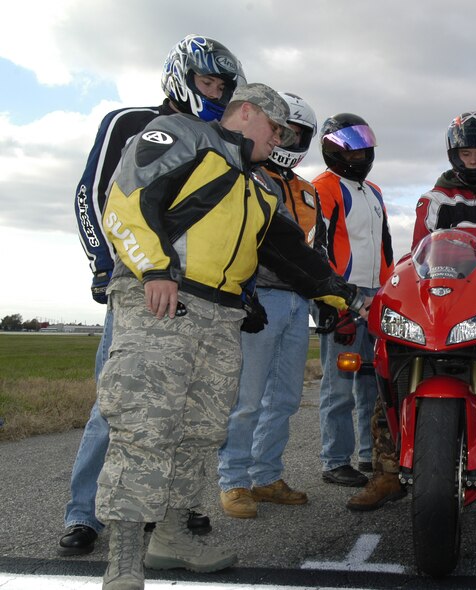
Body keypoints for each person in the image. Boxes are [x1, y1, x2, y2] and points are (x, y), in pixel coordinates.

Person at [96, 83, 364, 590]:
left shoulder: (260, 187)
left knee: (201, 434)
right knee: (145, 429)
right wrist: (155, 270)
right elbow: (127, 202)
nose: (281, 140)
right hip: (164, 302)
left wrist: (344, 296)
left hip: (222, 321)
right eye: (276, 128)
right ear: (246, 112)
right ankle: (123, 562)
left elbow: (289, 254)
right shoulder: (183, 136)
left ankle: (171, 538)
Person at [63, 34, 245, 557]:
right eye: (207, 81)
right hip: (141, 280)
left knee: (182, 407)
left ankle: (166, 512)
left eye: (222, 86)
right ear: (181, 77)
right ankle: (84, 515)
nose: (214, 92)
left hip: (197, 297)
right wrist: (104, 266)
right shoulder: (129, 120)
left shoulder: (215, 137)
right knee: (119, 405)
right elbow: (93, 192)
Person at [348, 111, 476, 522]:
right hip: (441, 302)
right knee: (388, 371)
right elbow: (424, 248)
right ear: (453, 154)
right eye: (465, 153)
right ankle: (386, 472)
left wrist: (460, 229)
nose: (473, 160)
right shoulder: (433, 198)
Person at [217, 92, 325, 518]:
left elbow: (313, 248)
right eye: (283, 130)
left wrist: (323, 294)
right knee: (247, 398)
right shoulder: (247, 174)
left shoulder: (308, 191)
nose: (288, 139)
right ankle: (234, 481)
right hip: (260, 296)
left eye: (297, 134)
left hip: (298, 300)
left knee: (283, 398)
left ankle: (265, 475)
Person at [313, 113, 394, 488]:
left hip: (378, 296)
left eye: (366, 143)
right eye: (354, 144)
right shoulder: (322, 187)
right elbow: (317, 247)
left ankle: (370, 454)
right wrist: (332, 300)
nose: (362, 151)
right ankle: (335, 459)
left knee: (374, 381)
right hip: (341, 294)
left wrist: (391, 290)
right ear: (336, 148)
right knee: (340, 383)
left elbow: (386, 247)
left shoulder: (374, 191)